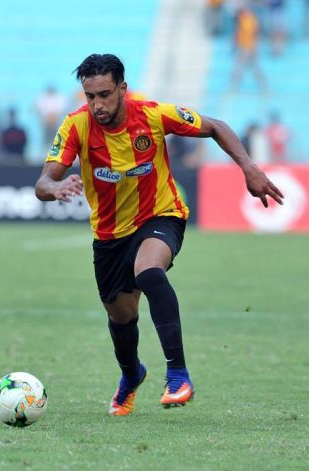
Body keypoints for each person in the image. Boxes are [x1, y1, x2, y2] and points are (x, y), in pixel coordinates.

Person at [35, 54, 284, 416]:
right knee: (121, 318)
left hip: (161, 215)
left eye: (104, 94)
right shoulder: (76, 125)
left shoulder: (152, 115)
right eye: (90, 97)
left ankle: (179, 374)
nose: (97, 105)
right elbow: (43, 180)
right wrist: (53, 188)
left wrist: (249, 168)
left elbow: (215, 126)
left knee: (148, 270)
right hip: (109, 234)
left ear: (123, 88)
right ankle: (131, 373)